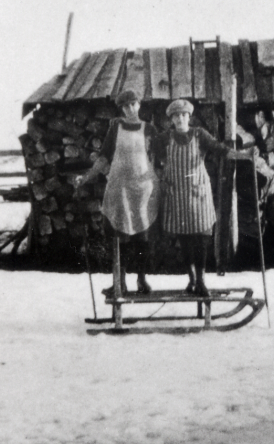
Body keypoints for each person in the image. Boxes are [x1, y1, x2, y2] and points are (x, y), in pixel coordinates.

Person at [158, 98, 253, 297]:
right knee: (183, 238)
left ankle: (201, 280)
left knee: (201, 237)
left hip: (198, 193)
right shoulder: (165, 137)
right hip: (177, 194)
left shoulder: (199, 134)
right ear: (171, 119)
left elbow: (220, 150)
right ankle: (191, 278)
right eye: (176, 116)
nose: (180, 119)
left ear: (189, 117)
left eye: (184, 115)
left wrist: (243, 155)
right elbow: (156, 158)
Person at [75, 89, 160, 295]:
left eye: (133, 104)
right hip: (119, 188)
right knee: (119, 236)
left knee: (142, 236)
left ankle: (141, 279)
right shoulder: (116, 127)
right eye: (125, 105)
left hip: (143, 190)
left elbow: (158, 160)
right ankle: (119, 281)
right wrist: (86, 177)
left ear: (139, 104)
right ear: (121, 108)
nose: (130, 108)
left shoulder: (149, 129)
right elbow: (104, 157)